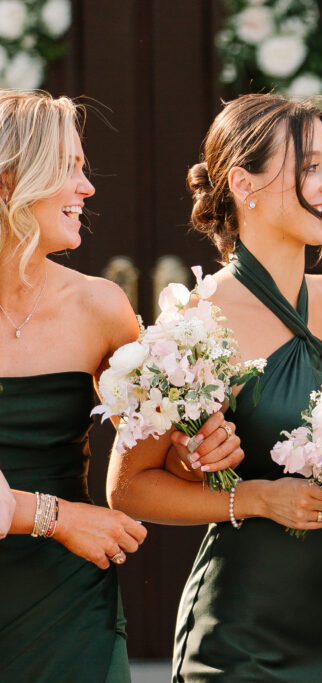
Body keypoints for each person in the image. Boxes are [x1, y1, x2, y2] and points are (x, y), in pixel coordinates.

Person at [107, 93, 322, 681]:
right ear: (245, 183)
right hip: (246, 634)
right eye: (311, 168)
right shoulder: (194, 321)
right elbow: (129, 488)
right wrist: (255, 498)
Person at [0, 89, 153, 681]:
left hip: (68, 603)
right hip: (63, 535)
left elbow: (147, 455)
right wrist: (57, 517)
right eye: (70, 168)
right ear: (11, 181)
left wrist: (201, 441)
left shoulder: (100, 306)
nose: (87, 187)